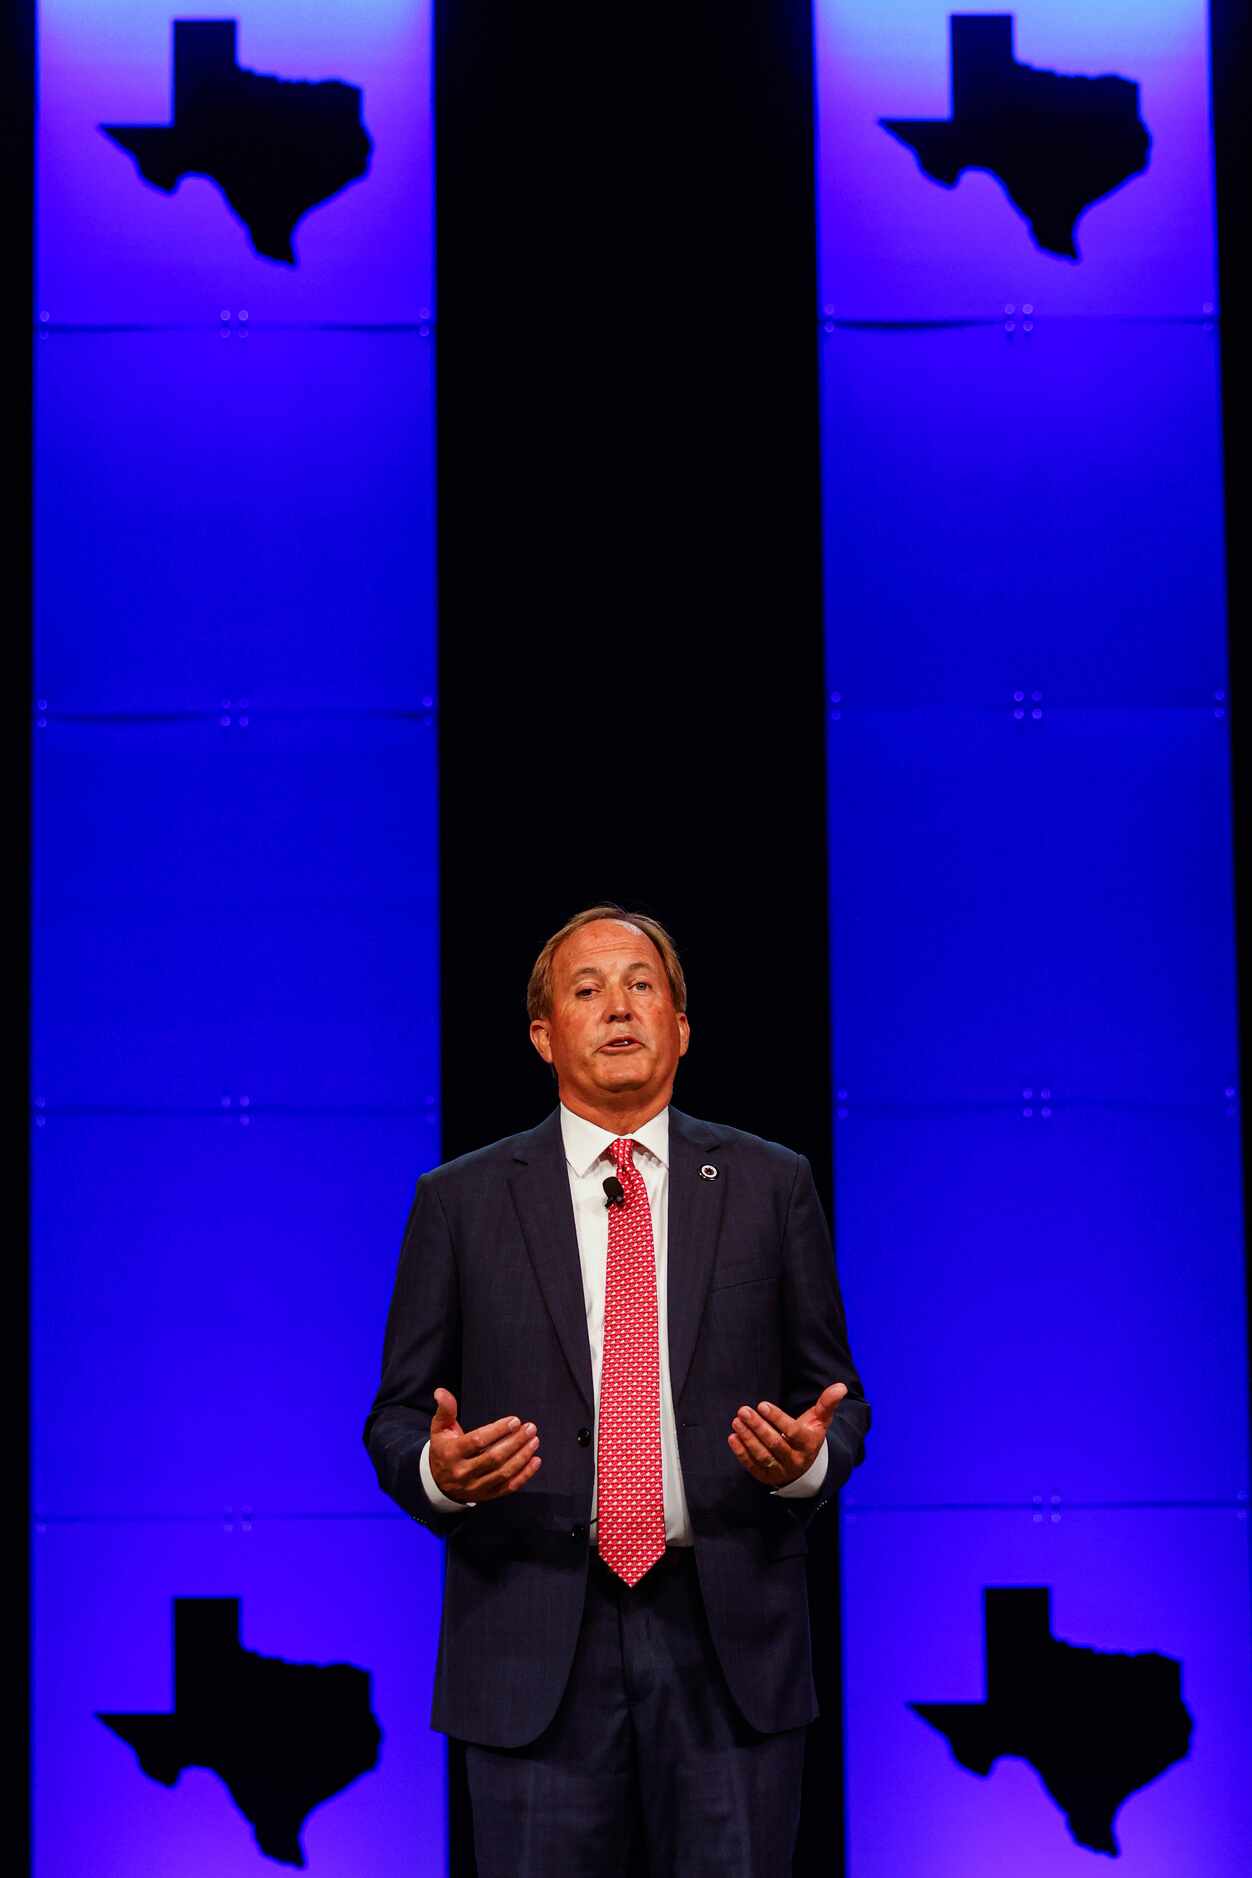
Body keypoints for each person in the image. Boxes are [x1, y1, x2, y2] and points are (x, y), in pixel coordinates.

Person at [364, 905, 869, 1877]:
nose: (619, 1007)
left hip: (729, 1646)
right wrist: (440, 1470)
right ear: (543, 1036)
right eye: (586, 990)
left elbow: (837, 1398)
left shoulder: (771, 1184)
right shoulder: (460, 1202)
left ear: (681, 1026)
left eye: (643, 985)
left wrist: (805, 1466)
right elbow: (394, 1414)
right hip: (530, 1639)